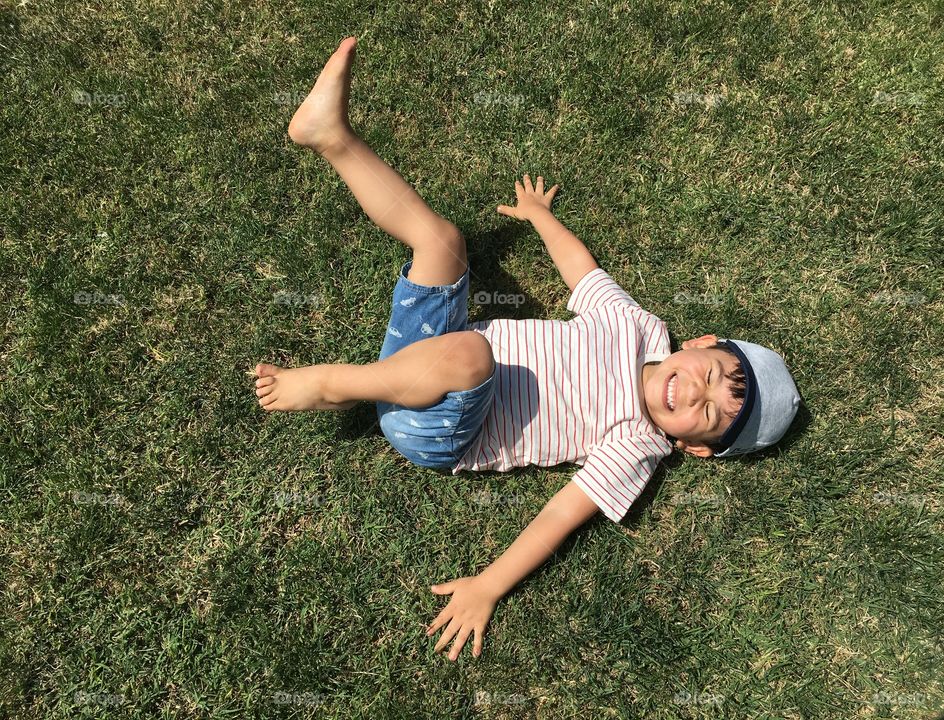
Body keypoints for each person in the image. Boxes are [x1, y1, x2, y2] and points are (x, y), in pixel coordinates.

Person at [253, 36, 801, 662]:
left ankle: (327, 385)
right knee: (441, 241)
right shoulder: (640, 328)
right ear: (701, 343)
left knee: (470, 358)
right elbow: (583, 276)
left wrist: (488, 586)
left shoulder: (636, 445)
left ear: (692, 447)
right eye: (708, 374)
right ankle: (329, 136)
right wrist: (541, 218)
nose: (692, 391)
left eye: (704, 412)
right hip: (435, 355)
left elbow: (558, 518)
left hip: (436, 426)